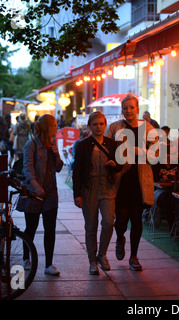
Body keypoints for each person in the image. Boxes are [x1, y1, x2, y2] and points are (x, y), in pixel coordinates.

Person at [107, 93, 158, 271]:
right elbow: (106, 150)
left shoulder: (149, 128)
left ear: (137, 109)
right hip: (120, 180)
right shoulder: (114, 127)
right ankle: (120, 238)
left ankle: (134, 256)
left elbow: (156, 155)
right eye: (125, 108)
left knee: (137, 219)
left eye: (131, 107)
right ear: (122, 110)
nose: (128, 111)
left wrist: (139, 151)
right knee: (120, 220)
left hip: (140, 179)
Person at [72, 111, 121, 275]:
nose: (98, 127)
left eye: (101, 124)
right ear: (89, 126)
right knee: (90, 226)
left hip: (107, 186)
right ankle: (92, 261)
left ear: (105, 125)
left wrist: (115, 164)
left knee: (108, 222)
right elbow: (76, 171)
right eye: (95, 124)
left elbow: (120, 165)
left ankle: (102, 255)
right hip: (89, 188)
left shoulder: (112, 144)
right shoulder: (82, 144)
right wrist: (76, 193)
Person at [17, 114, 64, 276]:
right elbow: (27, 167)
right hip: (33, 192)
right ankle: (26, 257)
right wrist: (35, 185)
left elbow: (58, 168)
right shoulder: (32, 144)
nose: (57, 128)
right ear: (47, 127)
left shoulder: (52, 144)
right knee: (31, 226)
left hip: (51, 192)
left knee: (50, 228)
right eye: (54, 125)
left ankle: (49, 264)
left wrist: (56, 154)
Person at [151, 142, 179, 229]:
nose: (169, 154)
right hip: (160, 191)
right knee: (168, 201)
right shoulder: (157, 164)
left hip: (176, 190)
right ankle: (173, 227)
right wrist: (162, 180)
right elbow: (152, 180)